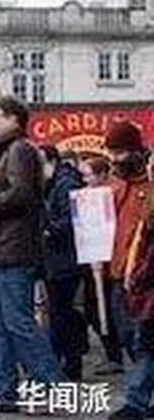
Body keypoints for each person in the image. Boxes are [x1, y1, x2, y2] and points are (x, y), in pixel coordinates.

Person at [0, 96, 62, 412]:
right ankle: (3, 390)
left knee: (18, 322)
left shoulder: (20, 150)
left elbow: (22, 194)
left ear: (15, 120)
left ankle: (53, 387)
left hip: (14, 249)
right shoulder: (5, 152)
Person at [104, 122, 154, 420]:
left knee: (144, 339)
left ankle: (138, 399)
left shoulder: (148, 187)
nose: (116, 158)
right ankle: (142, 394)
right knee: (128, 335)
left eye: (121, 152)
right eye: (112, 152)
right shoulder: (114, 184)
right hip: (119, 270)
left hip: (143, 275)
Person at [40, 145, 86, 381]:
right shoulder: (54, 184)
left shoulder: (65, 184)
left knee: (61, 313)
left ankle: (67, 362)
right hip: (58, 259)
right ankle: (70, 360)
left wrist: (48, 226)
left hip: (65, 259)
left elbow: (70, 222)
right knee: (62, 313)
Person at [80, 155, 125, 376]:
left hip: (109, 260)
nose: (85, 180)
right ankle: (113, 352)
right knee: (94, 308)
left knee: (107, 308)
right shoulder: (91, 194)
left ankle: (115, 354)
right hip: (93, 257)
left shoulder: (113, 192)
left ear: (102, 174)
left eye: (88, 175)